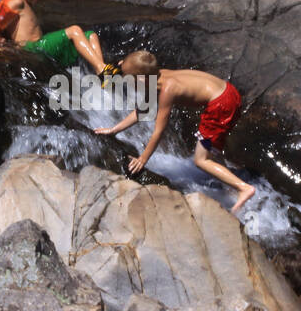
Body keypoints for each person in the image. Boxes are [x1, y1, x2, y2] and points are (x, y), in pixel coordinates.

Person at [95, 50, 256, 213]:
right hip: (229, 92)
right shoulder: (158, 76)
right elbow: (143, 110)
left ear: (141, 79)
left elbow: (159, 131)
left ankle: (243, 188)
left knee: (201, 160)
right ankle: (229, 186)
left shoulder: (167, 89)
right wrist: (114, 130)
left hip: (220, 106)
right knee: (211, 148)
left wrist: (143, 159)